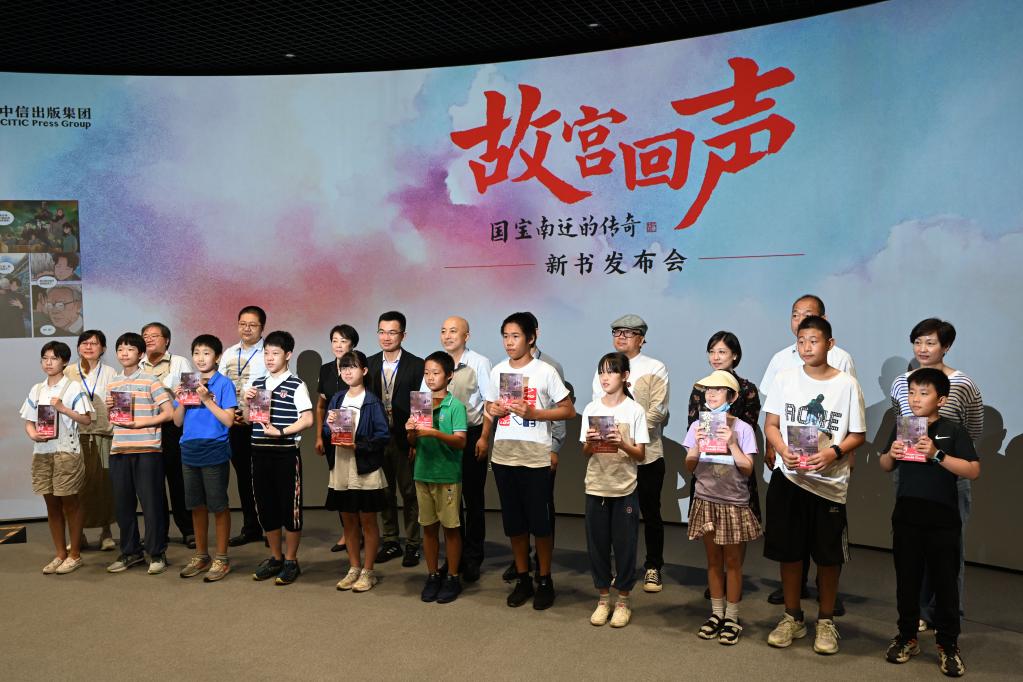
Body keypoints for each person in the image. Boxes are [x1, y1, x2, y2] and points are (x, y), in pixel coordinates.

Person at [763, 316, 865, 655]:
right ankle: (792, 616)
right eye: (802, 341)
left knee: (828, 556)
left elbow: (857, 434)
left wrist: (833, 452)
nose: (807, 347)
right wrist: (783, 451)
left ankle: (825, 620)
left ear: (830, 344)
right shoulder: (785, 378)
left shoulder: (846, 384)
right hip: (789, 478)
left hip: (828, 484)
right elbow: (772, 424)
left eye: (814, 341)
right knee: (789, 553)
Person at [880, 368, 979, 678]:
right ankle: (906, 636)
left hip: (942, 519)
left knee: (945, 583)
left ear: (942, 399)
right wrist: (892, 453)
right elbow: (884, 464)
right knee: (906, 580)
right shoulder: (903, 427)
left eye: (924, 393)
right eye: (911, 392)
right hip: (907, 515)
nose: (915, 399)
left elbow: (973, 469)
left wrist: (937, 455)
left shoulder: (953, 429)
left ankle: (948, 645)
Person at [889, 318, 982, 627]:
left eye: (930, 342)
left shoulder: (962, 383)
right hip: (910, 476)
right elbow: (900, 420)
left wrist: (943, 453)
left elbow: (973, 428)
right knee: (912, 549)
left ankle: (946, 614)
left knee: (948, 552)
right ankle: (916, 614)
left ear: (946, 346)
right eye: (918, 342)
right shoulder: (901, 383)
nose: (923, 349)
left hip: (949, 477)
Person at [485, 312, 576, 610]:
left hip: (535, 457)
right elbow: (489, 405)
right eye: (505, 336)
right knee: (514, 523)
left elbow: (568, 410)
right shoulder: (498, 370)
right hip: (504, 455)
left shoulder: (545, 371)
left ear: (531, 338)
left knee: (541, 524)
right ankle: (523, 578)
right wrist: (494, 409)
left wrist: (536, 413)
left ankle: (545, 579)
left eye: (515, 336)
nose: (509, 342)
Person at [591, 314, 669, 592]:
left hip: (647, 454)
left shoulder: (655, 367)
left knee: (651, 512)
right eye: (617, 332)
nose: (621, 337)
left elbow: (658, 410)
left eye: (628, 332)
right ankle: (622, 569)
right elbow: (598, 408)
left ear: (642, 339)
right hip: (613, 457)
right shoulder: (604, 367)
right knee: (618, 517)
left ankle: (653, 566)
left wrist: (631, 437)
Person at [683, 370, 761, 645]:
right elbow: (690, 466)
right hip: (706, 499)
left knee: (733, 562)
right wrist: (696, 446)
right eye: (708, 390)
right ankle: (716, 614)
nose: (711, 394)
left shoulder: (743, 428)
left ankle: (732, 617)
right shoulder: (697, 426)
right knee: (713, 561)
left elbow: (748, 469)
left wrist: (732, 444)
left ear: (732, 396)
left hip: (734, 503)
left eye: (718, 389)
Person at [687, 331, 761, 600]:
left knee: (736, 530)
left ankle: (733, 576)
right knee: (711, 532)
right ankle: (719, 584)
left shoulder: (747, 389)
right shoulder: (701, 388)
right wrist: (700, 441)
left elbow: (749, 427)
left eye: (722, 352)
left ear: (735, 355)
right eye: (712, 351)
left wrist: (730, 439)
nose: (716, 357)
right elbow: (693, 424)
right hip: (708, 466)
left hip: (735, 466)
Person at [580, 352, 649, 628]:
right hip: (596, 485)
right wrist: (590, 442)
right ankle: (602, 599)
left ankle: (622, 601)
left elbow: (641, 454)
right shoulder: (591, 408)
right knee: (597, 546)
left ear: (625, 376)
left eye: (611, 371)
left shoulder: (634, 411)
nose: (605, 377)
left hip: (624, 488)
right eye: (601, 372)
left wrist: (621, 443)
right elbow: (585, 451)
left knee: (625, 546)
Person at [246, 331, 313, 586]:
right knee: (266, 507)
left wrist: (282, 431)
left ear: (288, 355)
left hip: (285, 453)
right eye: (266, 353)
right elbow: (250, 419)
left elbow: (308, 419)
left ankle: (291, 561)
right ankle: (275, 558)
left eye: (275, 353)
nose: (270, 358)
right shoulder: (258, 384)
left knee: (290, 509)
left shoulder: (296, 384)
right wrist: (246, 401)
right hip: (259, 451)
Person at [21, 341, 94, 574]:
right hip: (42, 452)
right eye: (45, 358)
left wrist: (63, 408)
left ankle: (75, 554)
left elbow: (86, 419)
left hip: (66, 451)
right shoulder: (37, 389)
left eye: (54, 358)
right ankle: (60, 553)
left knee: (70, 503)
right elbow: (29, 420)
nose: (48, 362)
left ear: (64, 361)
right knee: (51, 504)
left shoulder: (73, 387)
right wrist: (33, 434)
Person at [105, 332, 174, 575]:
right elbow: (114, 419)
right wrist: (110, 410)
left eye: (130, 349)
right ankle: (130, 552)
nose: (124, 353)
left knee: (152, 504)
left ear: (141, 354)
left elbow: (168, 413)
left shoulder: (151, 380)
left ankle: (157, 553)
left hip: (147, 449)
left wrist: (142, 423)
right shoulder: (113, 383)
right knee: (123, 505)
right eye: (120, 349)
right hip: (119, 450)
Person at [431, 316, 493, 582]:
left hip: (471, 435)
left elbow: (490, 402)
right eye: (443, 331)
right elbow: (426, 400)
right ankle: (454, 556)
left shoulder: (479, 362)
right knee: (449, 500)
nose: (447, 336)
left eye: (453, 331)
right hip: (442, 438)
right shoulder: (435, 364)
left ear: (466, 336)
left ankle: (473, 556)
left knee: (473, 499)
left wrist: (485, 438)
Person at [324, 350, 391, 593]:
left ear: (364, 371)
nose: (348, 372)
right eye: (344, 367)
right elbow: (326, 432)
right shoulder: (336, 398)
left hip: (365, 468)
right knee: (348, 520)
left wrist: (358, 445)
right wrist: (329, 426)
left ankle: (368, 571)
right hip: (341, 466)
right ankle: (353, 567)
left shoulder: (372, 401)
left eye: (352, 367)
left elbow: (383, 436)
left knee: (368, 520)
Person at [172, 335, 237, 582]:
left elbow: (228, 421)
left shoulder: (224, 384)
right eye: (196, 353)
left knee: (218, 505)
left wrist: (207, 400)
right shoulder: (189, 383)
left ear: (217, 357)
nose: (200, 358)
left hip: (214, 448)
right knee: (196, 505)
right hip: (189, 448)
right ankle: (201, 555)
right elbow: (177, 422)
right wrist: (181, 400)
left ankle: (222, 558)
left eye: (206, 353)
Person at [408, 351, 468, 604]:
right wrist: (410, 432)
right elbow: (413, 442)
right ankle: (433, 575)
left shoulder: (455, 406)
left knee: (451, 528)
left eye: (436, 373)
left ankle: (452, 576)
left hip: (447, 474)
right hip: (423, 472)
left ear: (449, 375)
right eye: (426, 373)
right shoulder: (419, 404)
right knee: (428, 527)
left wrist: (434, 433)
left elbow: (461, 442)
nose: (430, 378)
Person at [366, 311, 425, 567]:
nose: (386, 337)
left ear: (403, 335)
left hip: (405, 438)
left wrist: (415, 440)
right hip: (378, 439)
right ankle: (390, 540)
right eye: (382, 332)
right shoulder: (369, 364)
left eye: (392, 332)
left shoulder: (417, 364)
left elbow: (421, 406)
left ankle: (413, 543)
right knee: (384, 491)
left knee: (410, 492)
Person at [140, 322, 196, 547]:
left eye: (154, 335)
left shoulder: (180, 362)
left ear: (167, 340)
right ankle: (158, 532)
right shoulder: (138, 364)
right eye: (145, 335)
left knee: (178, 480)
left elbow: (191, 394)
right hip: (146, 427)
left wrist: (171, 393)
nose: (149, 339)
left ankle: (188, 530)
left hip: (173, 426)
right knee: (152, 483)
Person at [219, 305, 268, 547]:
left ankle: (270, 528)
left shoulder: (268, 353)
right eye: (242, 324)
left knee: (264, 477)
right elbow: (220, 384)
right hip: (234, 422)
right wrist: (231, 414)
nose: (246, 329)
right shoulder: (229, 353)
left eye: (252, 325)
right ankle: (251, 527)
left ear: (262, 328)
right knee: (243, 477)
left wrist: (251, 416)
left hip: (260, 423)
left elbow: (271, 387)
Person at [64, 330, 118, 551]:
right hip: (75, 435)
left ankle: (107, 532)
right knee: (76, 486)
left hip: (103, 435)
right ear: (78, 347)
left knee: (104, 484)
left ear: (102, 348)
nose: (88, 347)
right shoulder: (68, 372)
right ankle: (79, 535)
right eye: (84, 343)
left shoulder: (110, 372)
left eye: (94, 343)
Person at [314, 324, 359, 552]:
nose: (338, 345)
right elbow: (321, 406)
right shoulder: (325, 370)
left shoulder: (360, 366)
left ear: (353, 344)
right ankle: (347, 532)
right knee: (339, 485)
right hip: (333, 436)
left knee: (357, 484)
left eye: (343, 340)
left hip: (357, 438)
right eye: (334, 340)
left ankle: (362, 530)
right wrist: (319, 436)